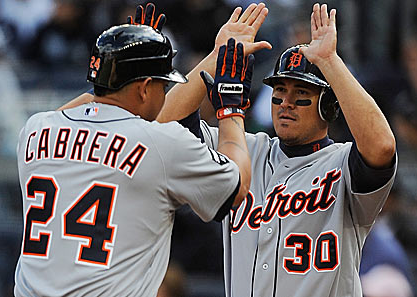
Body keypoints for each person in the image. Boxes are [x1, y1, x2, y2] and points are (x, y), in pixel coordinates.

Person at [13, 6, 257, 295]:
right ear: (143, 89)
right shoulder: (161, 142)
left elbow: (111, 112)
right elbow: (237, 185)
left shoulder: (36, 129)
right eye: (162, 85)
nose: (164, 92)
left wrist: (122, 65)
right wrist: (231, 110)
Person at [158, 3, 397, 297]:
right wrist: (216, 58)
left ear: (328, 105)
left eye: (301, 93)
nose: (286, 101)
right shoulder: (243, 151)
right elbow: (163, 123)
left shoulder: (343, 165)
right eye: (280, 91)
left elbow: (382, 146)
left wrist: (330, 63)